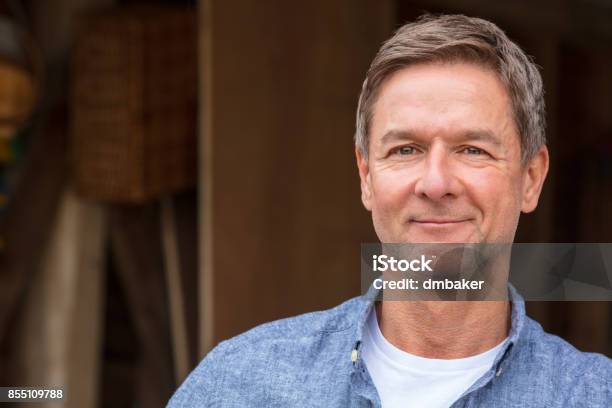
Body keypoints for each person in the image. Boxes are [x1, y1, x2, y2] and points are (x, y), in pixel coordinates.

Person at [168, 14, 612, 407]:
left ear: (531, 178)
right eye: (406, 150)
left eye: (473, 149)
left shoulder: (593, 395)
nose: (436, 183)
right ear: (366, 177)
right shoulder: (241, 383)